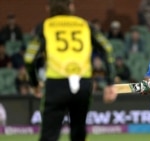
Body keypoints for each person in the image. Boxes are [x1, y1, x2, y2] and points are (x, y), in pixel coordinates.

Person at [24, 0, 117, 141]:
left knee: (49, 135)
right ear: (71, 6)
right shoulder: (85, 25)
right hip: (83, 84)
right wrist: (110, 82)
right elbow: (107, 49)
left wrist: (34, 83)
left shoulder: (45, 26)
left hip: (56, 84)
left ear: (48, 8)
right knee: (78, 132)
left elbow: (29, 58)